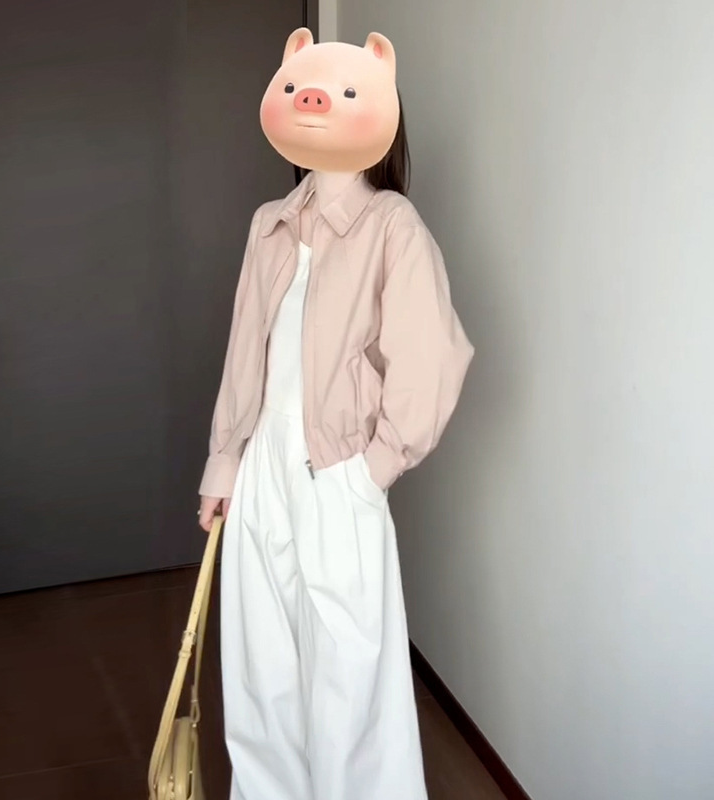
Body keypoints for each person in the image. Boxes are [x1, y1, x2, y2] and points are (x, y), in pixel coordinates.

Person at [197, 27, 474, 800]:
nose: (315, 101)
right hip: (262, 473)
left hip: (339, 472)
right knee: (260, 673)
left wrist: (374, 468)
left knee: (349, 678)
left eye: (347, 92)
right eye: (303, 87)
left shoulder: (392, 227)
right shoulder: (269, 223)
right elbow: (245, 351)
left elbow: (433, 356)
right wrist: (225, 461)